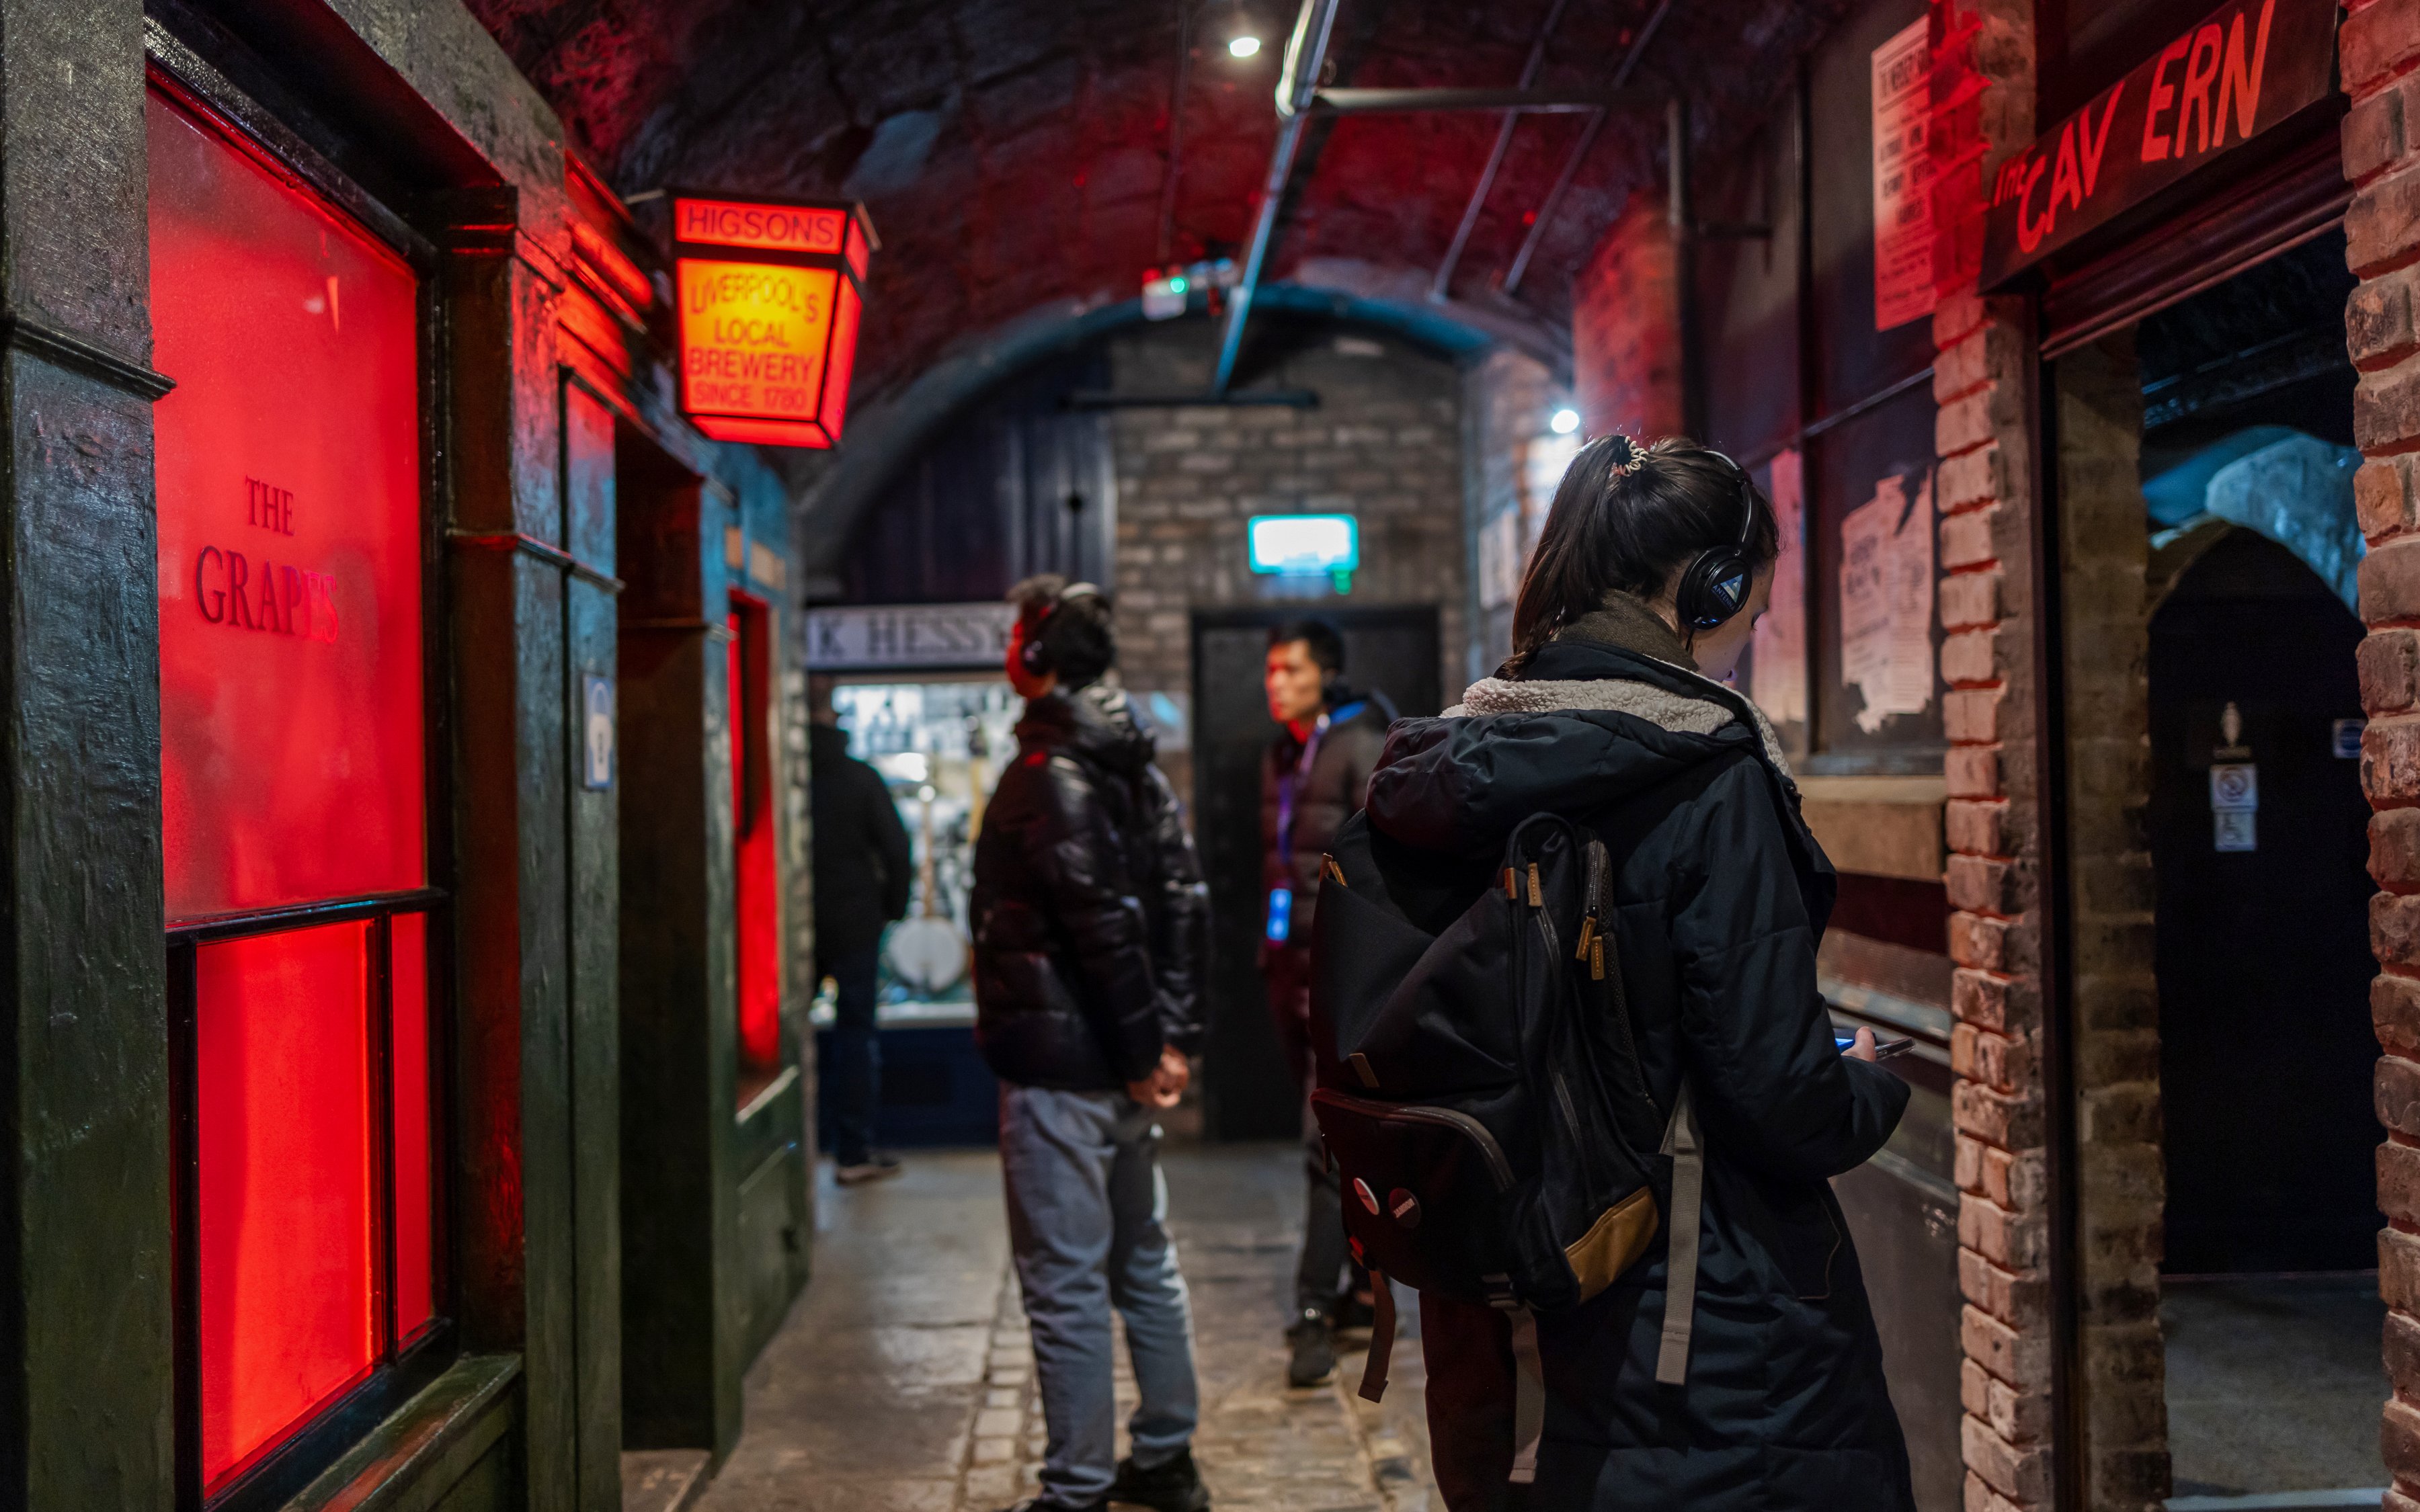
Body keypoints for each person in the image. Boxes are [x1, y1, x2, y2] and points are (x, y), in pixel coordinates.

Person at [1363, 435, 1915, 1510]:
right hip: (1699, 1329)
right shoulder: (1709, 776)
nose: (1749, 634)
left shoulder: (1457, 760)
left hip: (1501, 1299)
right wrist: (1867, 1079)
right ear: (1714, 585)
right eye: (1754, 604)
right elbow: (1777, 1092)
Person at [970, 576, 1214, 1512]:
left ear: (1036, 656)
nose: (1008, 651)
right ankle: (1165, 1457)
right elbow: (1183, 906)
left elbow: (1105, 929)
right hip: (1117, 1066)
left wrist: (1153, 1049)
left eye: (1015, 636)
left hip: (1064, 1070)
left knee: (1067, 1283)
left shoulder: (1049, 773)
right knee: (1142, 1262)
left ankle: (1076, 1487)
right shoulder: (1132, 765)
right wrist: (1169, 1041)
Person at [1258, 619, 1391, 1388]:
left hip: (1340, 975)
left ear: (1327, 674)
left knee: (1325, 1142)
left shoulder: (1358, 743)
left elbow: (1380, 867)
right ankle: (1361, 1292)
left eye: (1291, 670)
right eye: (1270, 670)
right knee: (1331, 1143)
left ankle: (1312, 1304)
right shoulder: (1283, 753)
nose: (1275, 683)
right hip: (1290, 968)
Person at [807, 674, 915, 1185]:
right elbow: (897, 848)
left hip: (792, 922)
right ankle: (852, 1151)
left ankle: (793, 1148)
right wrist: (891, 909)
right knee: (856, 1033)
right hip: (855, 921)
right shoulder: (860, 778)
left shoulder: (783, 773)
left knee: (783, 1034)